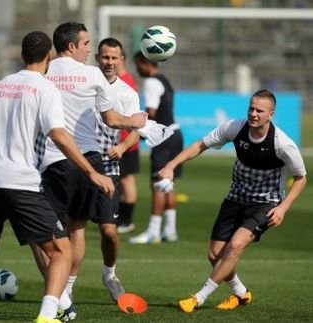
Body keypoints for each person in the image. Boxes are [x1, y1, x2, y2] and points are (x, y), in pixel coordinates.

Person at [0, 31, 114, 323]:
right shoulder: (44, 88)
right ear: (49, 55)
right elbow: (59, 136)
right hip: (21, 181)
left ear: (22, 55)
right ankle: (48, 316)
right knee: (61, 249)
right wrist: (92, 172)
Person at [155, 90, 307, 313]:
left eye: (259, 111)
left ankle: (199, 297)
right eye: (251, 108)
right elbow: (200, 145)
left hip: (266, 203)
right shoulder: (235, 127)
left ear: (271, 114)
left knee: (235, 245)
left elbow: (301, 178)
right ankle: (240, 292)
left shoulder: (283, 144)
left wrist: (283, 208)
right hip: (236, 198)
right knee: (215, 255)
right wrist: (171, 165)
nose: (253, 114)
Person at [34, 22, 147, 321]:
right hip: (89, 162)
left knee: (45, 232)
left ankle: (63, 294)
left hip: (51, 160)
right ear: (71, 46)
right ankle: (64, 294)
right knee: (76, 229)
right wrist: (135, 120)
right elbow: (112, 120)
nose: (89, 50)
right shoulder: (91, 74)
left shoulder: (43, 70)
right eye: (86, 44)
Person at [92, 37, 142, 302]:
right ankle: (66, 286)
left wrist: (122, 149)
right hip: (81, 164)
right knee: (73, 228)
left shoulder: (127, 93)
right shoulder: (86, 83)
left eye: (114, 58)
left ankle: (109, 273)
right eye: (105, 57)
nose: (109, 62)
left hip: (109, 165)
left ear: (121, 60)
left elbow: (136, 131)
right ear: (97, 58)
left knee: (109, 231)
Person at [130, 51, 184, 244]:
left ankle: (153, 231)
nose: (137, 69)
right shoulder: (164, 79)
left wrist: (138, 128)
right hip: (175, 133)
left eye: (138, 65)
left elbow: (151, 113)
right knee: (168, 182)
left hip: (164, 137)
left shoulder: (152, 82)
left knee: (158, 181)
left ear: (146, 62)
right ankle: (170, 231)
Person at [116, 54, 140, 234]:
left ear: (122, 60)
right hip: (124, 138)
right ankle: (121, 218)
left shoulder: (126, 81)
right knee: (123, 180)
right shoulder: (122, 79)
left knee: (126, 179)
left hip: (127, 139)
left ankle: (126, 220)